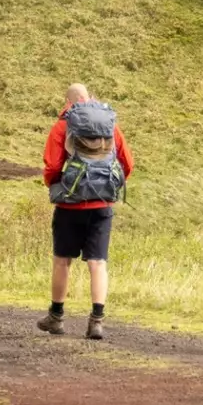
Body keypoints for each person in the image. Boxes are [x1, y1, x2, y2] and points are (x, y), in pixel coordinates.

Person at [39, 83, 133, 340]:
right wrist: (106, 186)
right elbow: (127, 163)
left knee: (62, 261)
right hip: (102, 205)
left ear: (67, 102)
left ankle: (56, 318)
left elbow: (52, 166)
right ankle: (97, 321)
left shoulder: (62, 126)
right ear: (90, 98)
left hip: (69, 205)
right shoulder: (109, 125)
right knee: (98, 263)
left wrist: (58, 185)